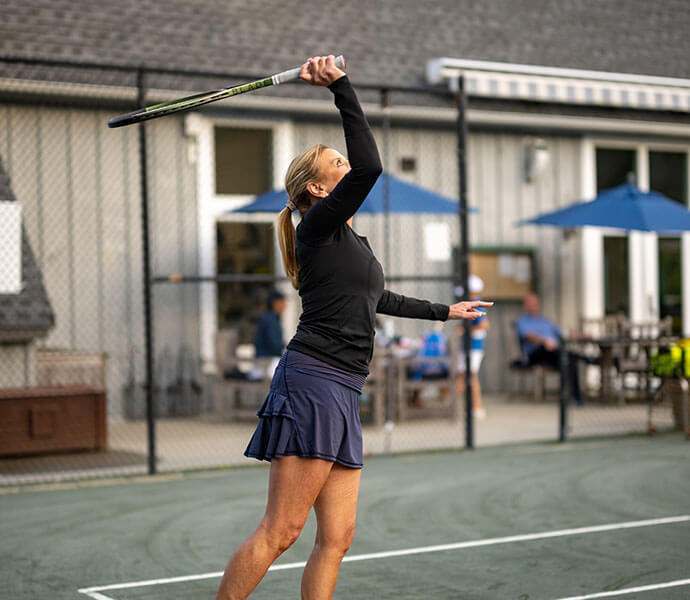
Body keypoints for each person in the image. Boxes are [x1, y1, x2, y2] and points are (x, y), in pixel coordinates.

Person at [214, 56, 492, 600]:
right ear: (318, 189)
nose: (347, 165)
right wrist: (340, 86)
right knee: (282, 531)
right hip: (313, 382)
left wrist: (445, 311)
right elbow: (371, 166)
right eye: (335, 162)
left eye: (342, 159)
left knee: (337, 538)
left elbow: (375, 297)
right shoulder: (317, 227)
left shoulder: (347, 241)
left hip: (343, 388)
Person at [516, 292, 582, 405]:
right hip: (536, 353)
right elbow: (528, 336)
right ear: (525, 306)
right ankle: (585, 359)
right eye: (530, 304)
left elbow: (563, 333)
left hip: (554, 352)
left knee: (570, 360)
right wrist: (544, 340)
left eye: (535, 303)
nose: (534, 306)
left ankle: (573, 397)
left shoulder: (545, 321)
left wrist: (583, 335)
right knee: (567, 357)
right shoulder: (523, 321)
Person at [456, 275, 489, 419]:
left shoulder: (475, 304)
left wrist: (465, 331)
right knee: (464, 376)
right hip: (468, 346)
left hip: (474, 347)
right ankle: (462, 407)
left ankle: (475, 407)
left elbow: (484, 325)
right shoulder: (471, 304)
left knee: (469, 376)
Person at [253, 290, 286, 358]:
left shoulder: (273, 318)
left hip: (268, 359)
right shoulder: (270, 319)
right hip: (267, 360)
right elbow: (274, 344)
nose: (284, 305)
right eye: (281, 302)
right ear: (274, 303)